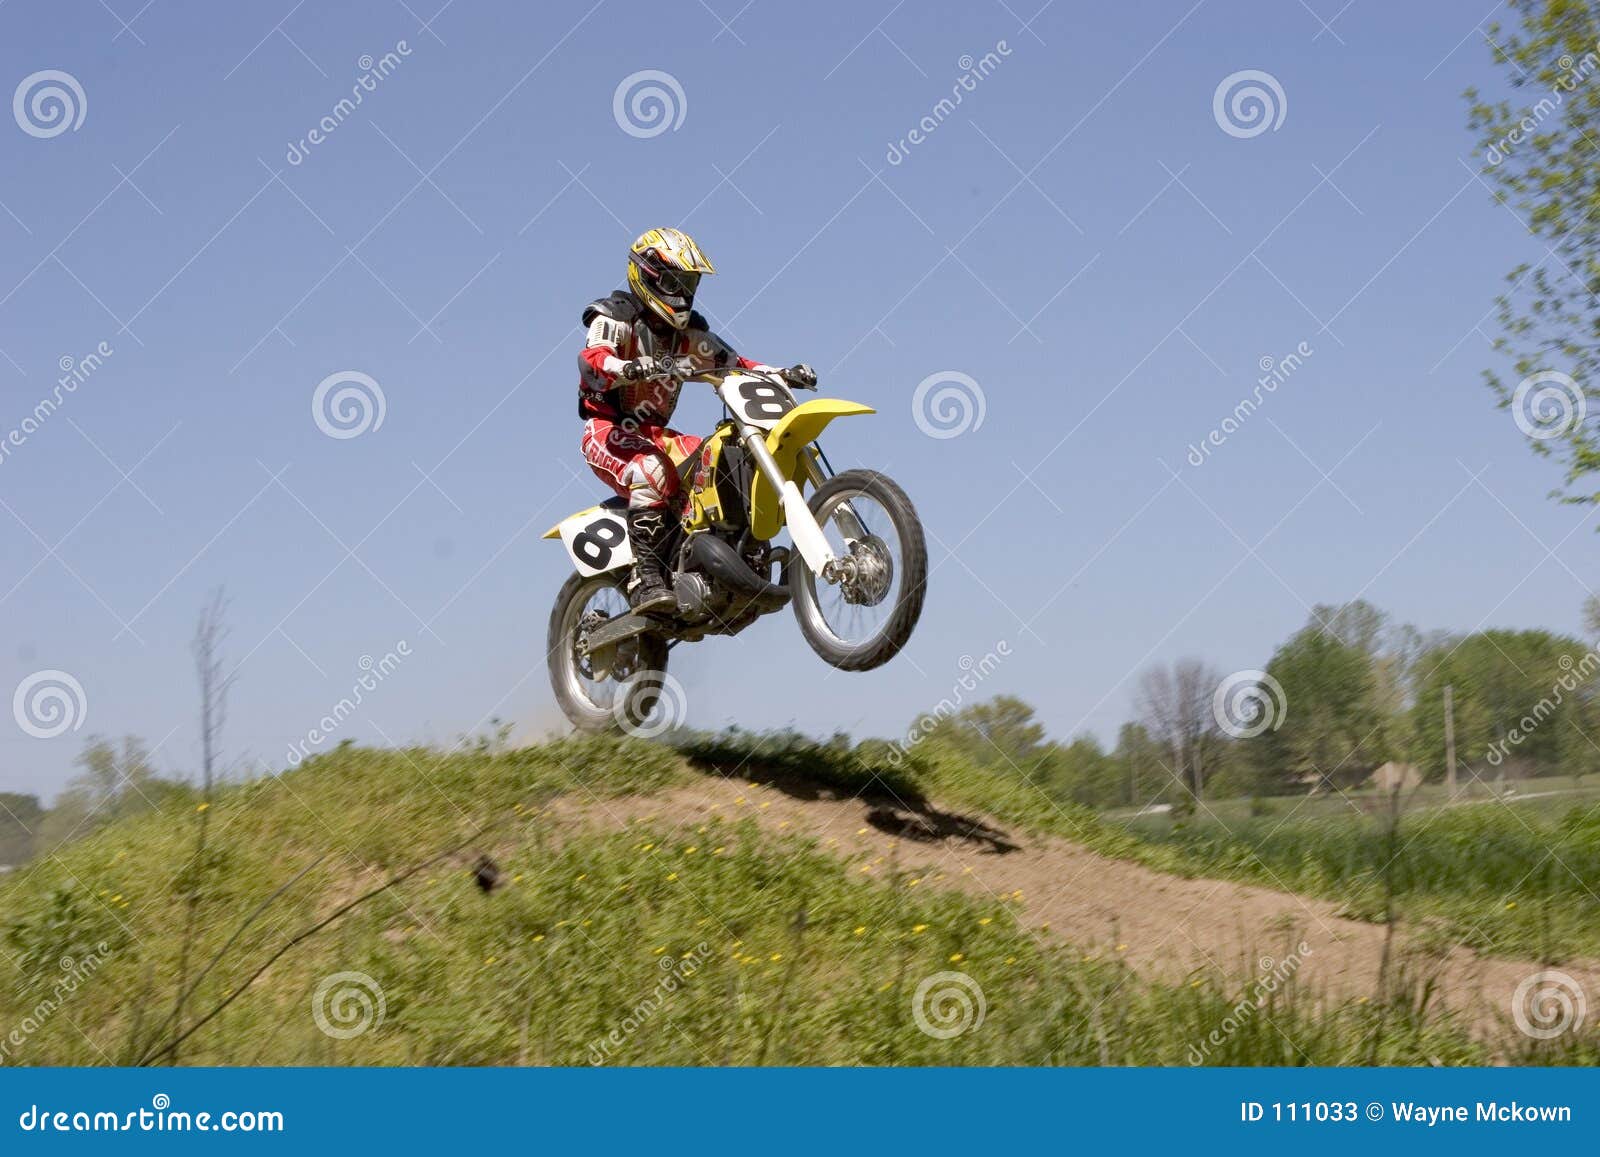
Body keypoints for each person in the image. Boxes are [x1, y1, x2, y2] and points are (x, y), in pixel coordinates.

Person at [577, 227, 815, 615]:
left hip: (656, 433)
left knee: (718, 458)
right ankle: (645, 578)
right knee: (653, 472)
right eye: (674, 281)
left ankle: (720, 561)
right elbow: (592, 360)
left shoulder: (689, 334)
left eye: (688, 283)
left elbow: (736, 365)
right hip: (608, 431)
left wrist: (781, 372)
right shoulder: (615, 316)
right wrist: (629, 366)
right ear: (648, 274)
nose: (683, 292)